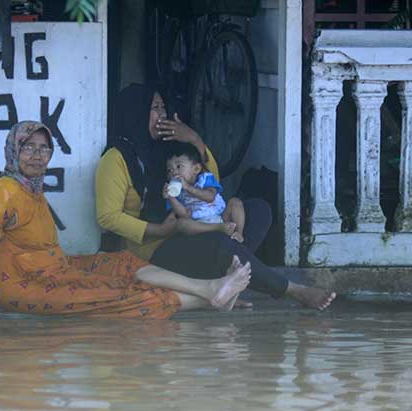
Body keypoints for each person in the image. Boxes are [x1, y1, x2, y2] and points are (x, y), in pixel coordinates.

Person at [0, 120, 253, 323]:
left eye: (44, 149)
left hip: (54, 271)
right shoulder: (2, 192)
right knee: (113, 296)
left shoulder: (29, 189)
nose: (37, 155)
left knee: (122, 264)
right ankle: (211, 296)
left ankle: (211, 289)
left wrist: (2, 289)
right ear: (13, 151)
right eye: (28, 147)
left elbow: (11, 249)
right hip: (32, 284)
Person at [95, 83, 335, 310]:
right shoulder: (116, 158)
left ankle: (228, 285)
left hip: (193, 226)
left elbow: (212, 185)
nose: (162, 114)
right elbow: (108, 217)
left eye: (163, 107)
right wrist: (159, 230)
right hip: (155, 247)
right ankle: (292, 289)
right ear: (135, 113)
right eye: (155, 108)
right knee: (222, 244)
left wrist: (195, 141)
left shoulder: (168, 149)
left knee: (259, 211)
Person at [163, 141, 246, 242]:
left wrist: (188, 188)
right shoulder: (176, 192)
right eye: (169, 170)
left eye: (178, 167)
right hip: (199, 226)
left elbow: (210, 197)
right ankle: (218, 228)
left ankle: (238, 233)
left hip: (220, 217)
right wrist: (171, 197)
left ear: (196, 169)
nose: (174, 172)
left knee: (235, 202)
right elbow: (185, 214)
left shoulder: (205, 178)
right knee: (181, 223)